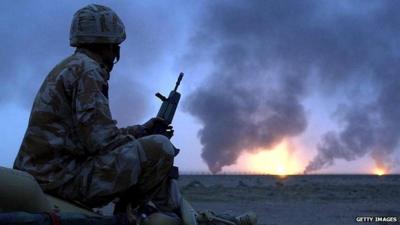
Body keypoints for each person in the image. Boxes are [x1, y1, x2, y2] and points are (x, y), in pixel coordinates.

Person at [13, 4, 256, 225]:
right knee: (159, 149)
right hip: (62, 180)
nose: (117, 52)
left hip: (50, 173)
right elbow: (102, 143)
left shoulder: (70, 67)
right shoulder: (88, 72)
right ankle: (141, 217)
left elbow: (92, 136)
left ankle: (188, 217)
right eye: (116, 45)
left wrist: (141, 130)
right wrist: (145, 141)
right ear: (108, 44)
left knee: (149, 146)